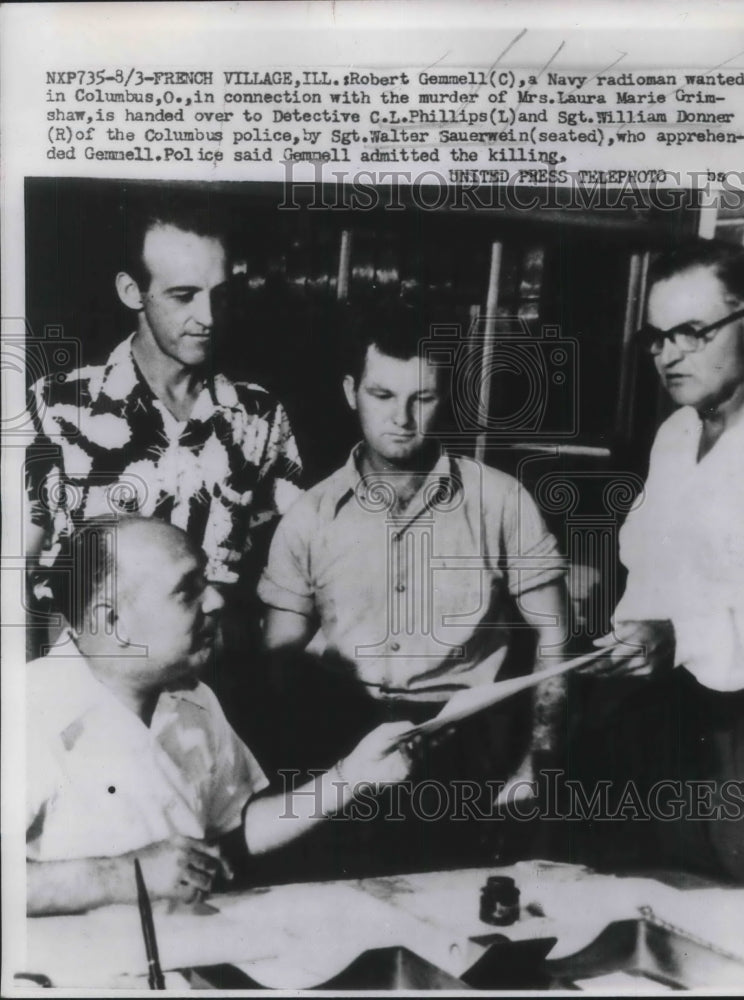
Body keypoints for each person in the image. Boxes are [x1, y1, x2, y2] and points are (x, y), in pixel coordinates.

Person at [255, 303, 569, 871]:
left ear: (446, 395)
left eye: (420, 398)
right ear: (351, 391)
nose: (402, 417)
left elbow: (555, 640)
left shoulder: (501, 502)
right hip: (341, 745)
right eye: (382, 395)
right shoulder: (309, 515)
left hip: (465, 752)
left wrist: (536, 761)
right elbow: (279, 663)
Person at [26, 517, 411, 916]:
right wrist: (120, 876)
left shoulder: (195, 700)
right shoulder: (26, 712)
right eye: (188, 591)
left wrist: (350, 778)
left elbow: (231, 832)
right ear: (113, 623)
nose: (216, 601)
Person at [25, 196, 303, 663]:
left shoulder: (260, 415)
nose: (209, 318)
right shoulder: (55, 406)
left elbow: (293, 572)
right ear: (133, 291)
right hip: (86, 682)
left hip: (208, 687)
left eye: (220, 294)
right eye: (183, 295)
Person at [582, 238, 744, 884]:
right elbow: (650, 564)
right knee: (651, 894)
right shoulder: (677, 434)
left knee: (740, 912)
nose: (667, 355)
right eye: (657, 337)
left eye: (691, 333)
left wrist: (677, 636)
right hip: (663, 716)